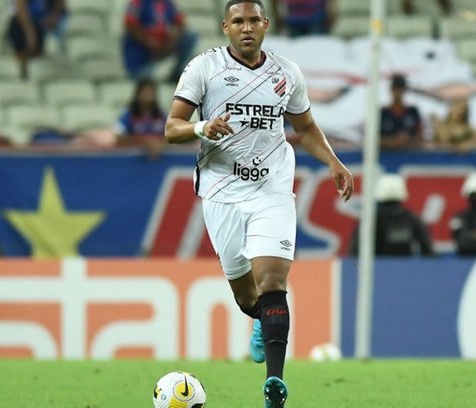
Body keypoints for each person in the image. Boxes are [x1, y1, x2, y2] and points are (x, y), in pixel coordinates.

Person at [164, 1, 354, 406]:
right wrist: (202, 125)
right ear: (225, 27)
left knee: (272, 281)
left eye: (253, 20)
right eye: (238, 21)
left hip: (272, 190)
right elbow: (171, 128)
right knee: (249, 298)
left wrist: (334, 162)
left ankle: (274, 384)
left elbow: (305, 128)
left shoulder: (286, 73)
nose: (246, 27)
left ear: (266, 24)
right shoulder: (204, 68)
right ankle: (259, 321)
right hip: (222, 193)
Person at [349, 174, 434, 257]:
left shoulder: (369, 220)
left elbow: (355, 253)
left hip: (375, 269)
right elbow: (428, 253)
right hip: (406, 269)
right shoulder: (413, 220)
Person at [122, 0, 198, 82]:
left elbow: (181, 24)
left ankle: (177, 72)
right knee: (147, 78)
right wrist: (148, 42)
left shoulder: (168, 3)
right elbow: (130, 24)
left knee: (191, 35)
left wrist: (173, 40)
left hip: (162, 48)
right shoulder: (138, 2)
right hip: (142, 54)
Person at [115, 79, 168, 158]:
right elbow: (119, 138)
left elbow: (172, 137)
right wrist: (144, 142)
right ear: (138, 94)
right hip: (134, 160)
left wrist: (159, 144)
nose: (148, 95)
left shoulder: (162, 115)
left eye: (150, 92)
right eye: (145, 92)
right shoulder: (128, 115)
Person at [7, 0, 49, 79]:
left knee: (37, 59)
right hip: (23, 25)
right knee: (24, 54)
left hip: (36, 23)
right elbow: (20, 8)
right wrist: (29, 32)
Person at [380, 74, 422, 150]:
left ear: (404, 90)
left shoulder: (412, 112)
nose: (398, 92)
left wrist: (407, 140)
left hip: (409, 158)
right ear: (391, 90)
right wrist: (394, 141)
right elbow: (373, 140)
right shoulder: (382, 113)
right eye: (396, 88)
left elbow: (420, 138)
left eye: (401, 89)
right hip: (386, 158)